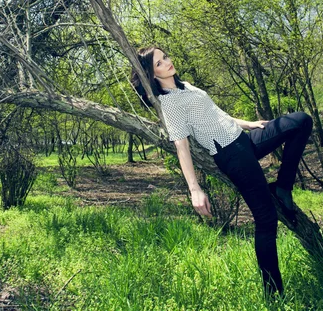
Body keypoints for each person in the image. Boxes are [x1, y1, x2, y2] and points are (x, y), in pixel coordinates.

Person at [131, 46, 313, 296]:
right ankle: (274, 294)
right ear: (152, 74)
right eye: (159, 63)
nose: (167, 63)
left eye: (166, 57)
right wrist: (194, 189)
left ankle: (282, 187)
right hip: (232, 155)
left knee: (301, 121)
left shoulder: (186, 86)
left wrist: (249, 124)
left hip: (244, 140)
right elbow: (181, 145)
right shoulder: (169, 103)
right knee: (266, 220)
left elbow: (217, 113)